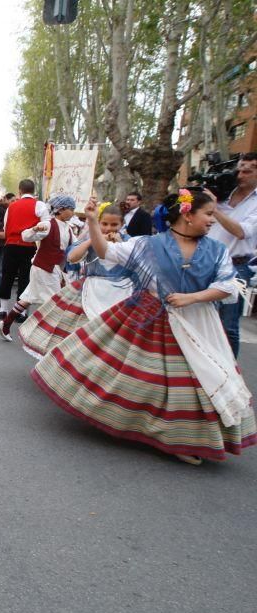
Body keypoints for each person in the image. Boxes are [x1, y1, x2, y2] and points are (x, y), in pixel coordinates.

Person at [32, 192, 255, 465]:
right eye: (208, 214)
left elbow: (228, 286)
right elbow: (106, 252)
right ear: (187, 215)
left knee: (198, 378)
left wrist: (192, 297)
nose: (212, 220)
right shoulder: (148, 244)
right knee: (156, 379)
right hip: (150, 318)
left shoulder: (217, 250)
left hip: (198, 323)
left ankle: (184, 438)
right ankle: (161, 433)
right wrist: (92, 221)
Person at [18, 203, 131, 358]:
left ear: (122, 225)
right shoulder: (89, 238)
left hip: (120, 294)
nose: (109, 228)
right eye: (104, 224)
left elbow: (136, 262)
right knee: (82, 334)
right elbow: (72, 257)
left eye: (114, 224)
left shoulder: (129, 242)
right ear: (98, 223)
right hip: (91, 291)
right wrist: (93, 241)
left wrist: (120, 244)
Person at [0, 195, 75, 341]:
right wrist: (34, 229)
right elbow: (25, 236)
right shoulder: (48, 224)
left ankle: (5, 324)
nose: (73, 212)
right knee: (54, 302)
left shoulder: (68, 228)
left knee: (28, 298)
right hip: (44, 268)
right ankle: (44, 336)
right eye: (71, 209)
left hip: (55, 269)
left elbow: (75, 247)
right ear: (61, 209)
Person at [208, 152, 257, 357]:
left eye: (248, 170)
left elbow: (241, 232)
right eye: (239, 169)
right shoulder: (221, 191)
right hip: (206, 262)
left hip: (237, 268)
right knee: (202, 319)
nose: (241, 174)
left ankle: (230, 374)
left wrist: (215, 209)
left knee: (228, 326)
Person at [0, 179, 50, 322]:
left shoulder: (11, 206)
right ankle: (22, 312)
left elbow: (5, 227)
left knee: (7, 276)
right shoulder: (39, 205)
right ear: (33, 191)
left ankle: (3, 310)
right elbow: (46, 227)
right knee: (25, 278)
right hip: (29, 246)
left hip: (11, 245)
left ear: (20, 191)